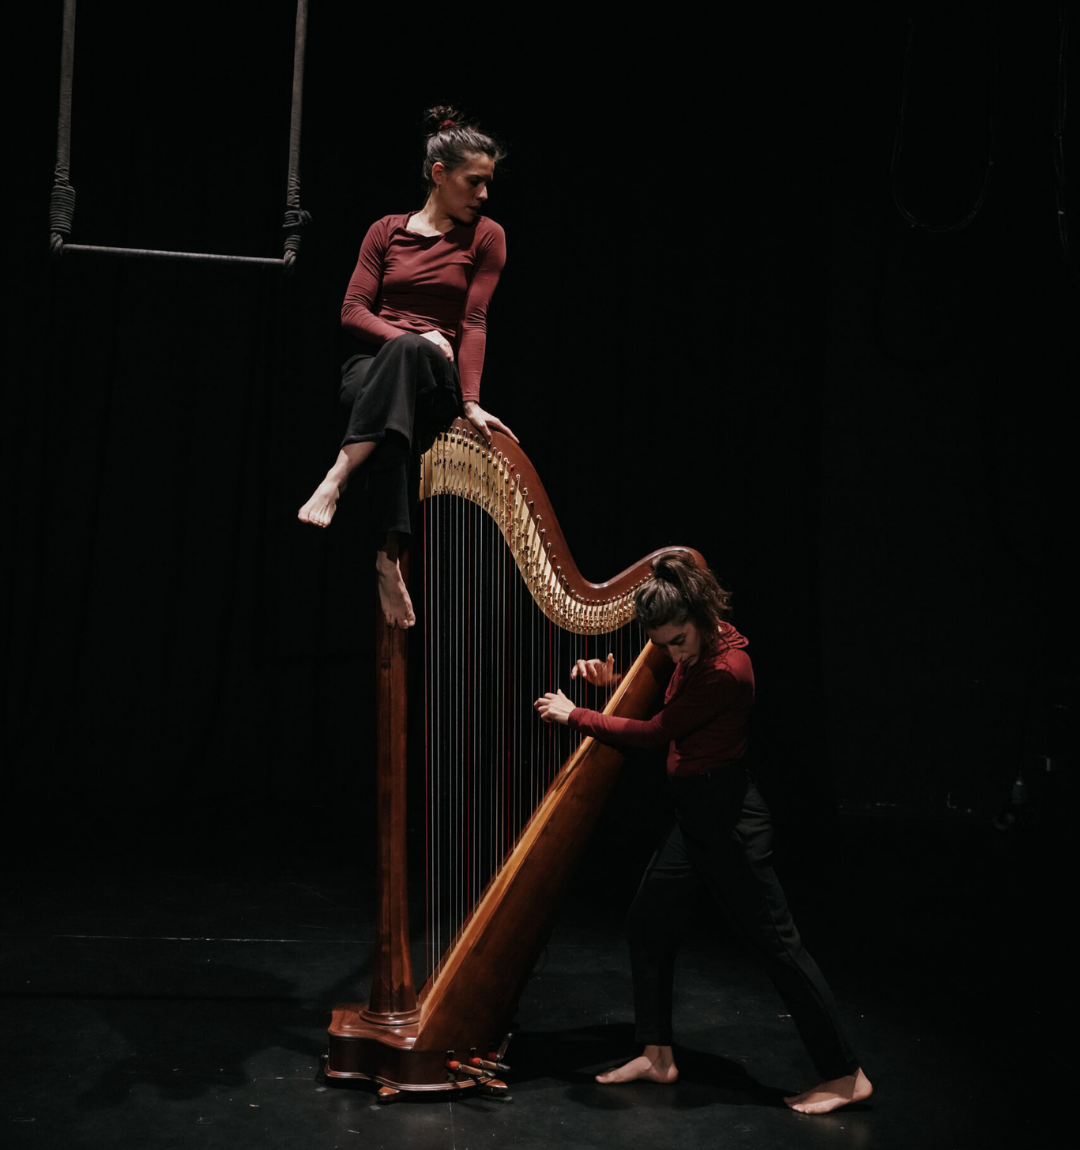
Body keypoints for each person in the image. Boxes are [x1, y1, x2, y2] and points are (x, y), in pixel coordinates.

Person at [534, 553, 872, 1115]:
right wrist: (613, 681)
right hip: (695, 817)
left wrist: (577, 715)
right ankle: (657, 1054)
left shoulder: (726, 669)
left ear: (701, 615)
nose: (673, 653)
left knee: (780, 949)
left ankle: (846, 1075)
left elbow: (656, 731)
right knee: (647, 922)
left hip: (730, 823)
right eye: (662, 645)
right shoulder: (695, 650)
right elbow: (667, 696)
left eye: (678, 641)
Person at [298, 106, 517, 628]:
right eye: (474, 182)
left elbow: (475, 321)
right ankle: (387, 555)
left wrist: (471, 402)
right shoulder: (386, 231)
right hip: (375, 367)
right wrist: (411, 336)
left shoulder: (487, 236)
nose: (485, 194)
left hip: (434, 379)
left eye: (488, 182)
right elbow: (352, 311)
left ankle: (338, 475)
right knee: (394, 373)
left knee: (409, 358)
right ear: (439, 175)